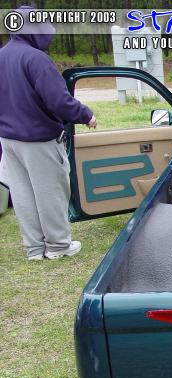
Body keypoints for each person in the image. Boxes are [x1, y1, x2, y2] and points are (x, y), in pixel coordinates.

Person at [0, 6, 97, 260]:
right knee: (50, 192)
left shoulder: (2, 55)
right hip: (39, 139)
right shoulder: (36, 59)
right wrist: (86, 115)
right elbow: (58, 101)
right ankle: (58, 246)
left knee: (23, 194)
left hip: (8, 140)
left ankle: (34, 248)